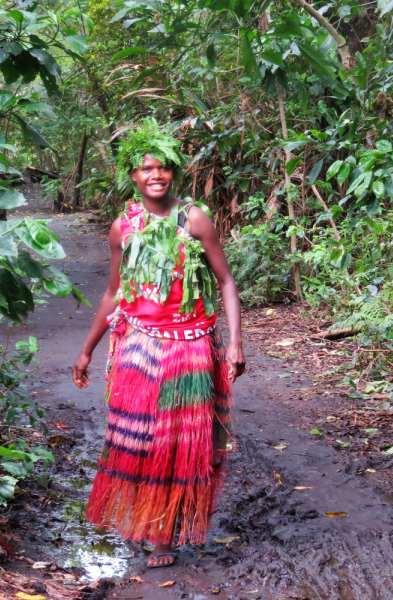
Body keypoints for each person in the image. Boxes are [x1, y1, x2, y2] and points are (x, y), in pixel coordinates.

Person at [71, 118, 245, 568]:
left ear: (174, 173)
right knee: (140, 441)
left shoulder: (194, 219)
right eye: (146, 169)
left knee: (177, 445)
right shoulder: (122, 227)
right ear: (133, 176)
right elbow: (114, 293)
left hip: (190, 350)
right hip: (139, 347)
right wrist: (88, 347)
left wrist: (235, 343)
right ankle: (145, 518)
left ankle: (163, 535)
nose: (155, 175)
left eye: (163, 168)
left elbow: (225, 281)